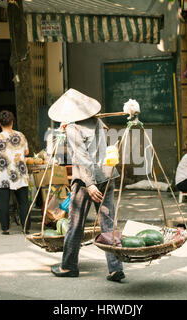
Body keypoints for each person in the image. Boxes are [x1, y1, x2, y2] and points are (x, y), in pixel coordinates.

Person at [48, 88, 124, 282]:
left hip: (85, 180)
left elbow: (82, 158)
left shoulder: (74, 128)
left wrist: (90, 184)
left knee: (75, 223)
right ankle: (116, 268)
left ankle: (68, 266)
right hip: (107, 175)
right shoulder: (97, 121)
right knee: (108, 222)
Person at [0, 110, 30, 234]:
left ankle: (5, 228)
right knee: (23, 203)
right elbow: (26, 152)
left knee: (3, 203)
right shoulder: (21, 135)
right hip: (20, 174)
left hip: (3, 175)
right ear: (12, 122)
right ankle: (26, 228)